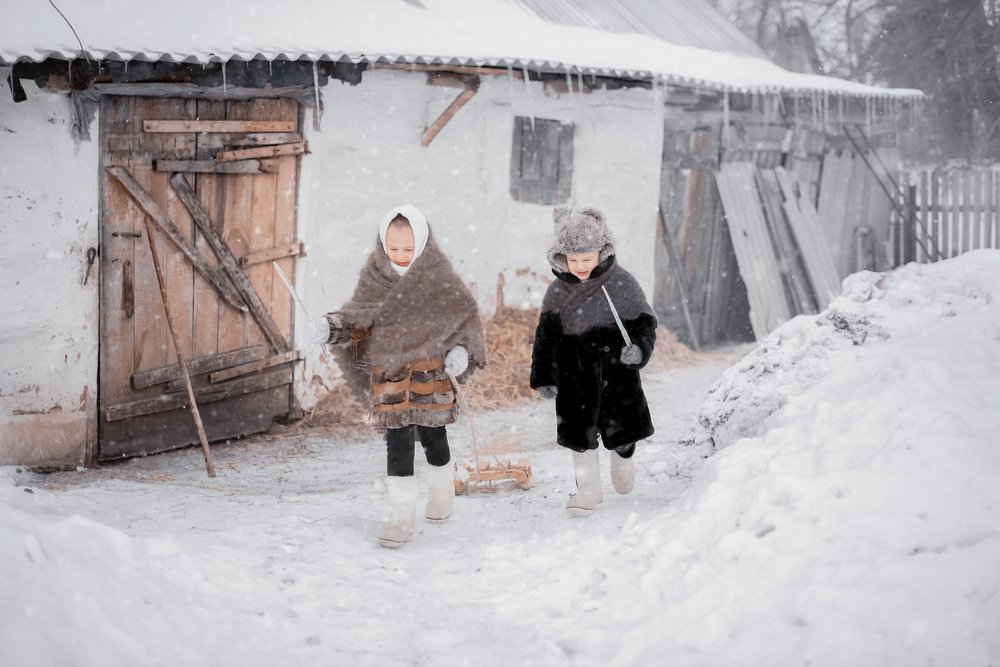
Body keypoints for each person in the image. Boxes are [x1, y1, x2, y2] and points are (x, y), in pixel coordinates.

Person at [316, 204, 486, 548]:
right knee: (398, 442)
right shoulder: (375, 276)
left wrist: (460, 351)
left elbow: (463, 316)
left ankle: (441, 491)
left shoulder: (437, 276)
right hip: (391, 378)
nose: (401, 255)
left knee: (434, 437)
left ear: (422, 243)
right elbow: (359, 318)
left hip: (430, 375)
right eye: (393, 248)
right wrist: (330, 327)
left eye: (408, 248)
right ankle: (401, 514)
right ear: (383, 244)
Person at [529, 206, 656, 516]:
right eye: (573, 261)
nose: (580, 267)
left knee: (621, 429)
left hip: (616, 371)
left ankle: (623, 454)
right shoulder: (557, 292)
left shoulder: (621, 283)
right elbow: (546, 337)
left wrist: (639, 349)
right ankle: (588, 491)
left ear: (602, 251)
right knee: (579, 437)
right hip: (574, 374)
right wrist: (545, 375)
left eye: (586, 259)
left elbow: (644, 323)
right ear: (561, 257)